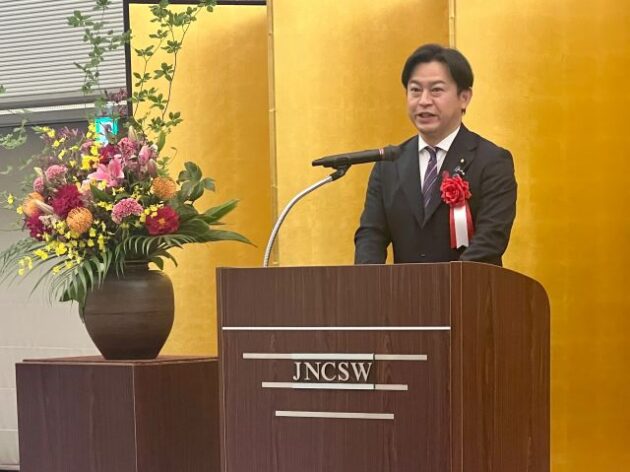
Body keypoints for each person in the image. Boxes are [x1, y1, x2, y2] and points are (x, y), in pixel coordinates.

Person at [354, 43, 517, 266]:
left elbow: (490, 240)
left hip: (468, 287)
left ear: (464, 97)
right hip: (401, 288)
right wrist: (368, 281)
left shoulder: (492, 161)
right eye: (415, 90)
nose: (424, 101)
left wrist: (446, 282)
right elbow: (370, 236)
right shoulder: (388, 164)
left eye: (436, 90)